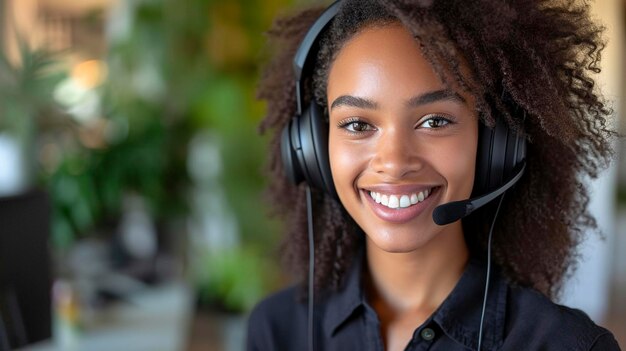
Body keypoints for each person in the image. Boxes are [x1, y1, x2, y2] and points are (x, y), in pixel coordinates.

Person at [247, 0, 621, 350]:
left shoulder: (566, 344)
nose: (393, 162)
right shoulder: (277, 330)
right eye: (358, 124)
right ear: (311, 147)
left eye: (435, 121)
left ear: (496, 143)